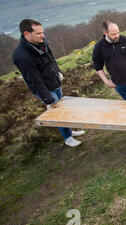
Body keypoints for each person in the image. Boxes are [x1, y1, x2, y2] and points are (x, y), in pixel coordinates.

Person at [12, 19, 86, 147]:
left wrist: (58, 72)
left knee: (62, 110)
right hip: (46, 89)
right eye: (39, 33)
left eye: (43, 32)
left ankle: (69, 131)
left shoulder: (42, 44)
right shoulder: (22, 56)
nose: (43, 35)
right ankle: (67, 138)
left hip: (54, 83)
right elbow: (34, 80)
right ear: (27, 34)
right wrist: (48, 98)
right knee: (58, 113)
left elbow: (51, 60)